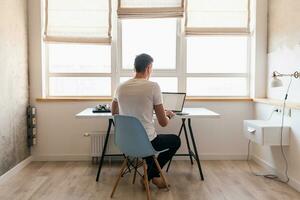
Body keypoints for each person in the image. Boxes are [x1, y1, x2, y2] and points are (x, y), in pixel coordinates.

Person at [111, 53, 181, 188]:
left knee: (145, 145)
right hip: (146, 142)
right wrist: (168, 115)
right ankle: (148, 177)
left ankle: (153, 177)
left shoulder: (120, 87)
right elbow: (163, 123)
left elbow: (114, 112)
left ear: (135, 67)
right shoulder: (153, 86)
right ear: (148, 68)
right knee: (175, 141)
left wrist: (133, 112)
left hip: (125, 142)